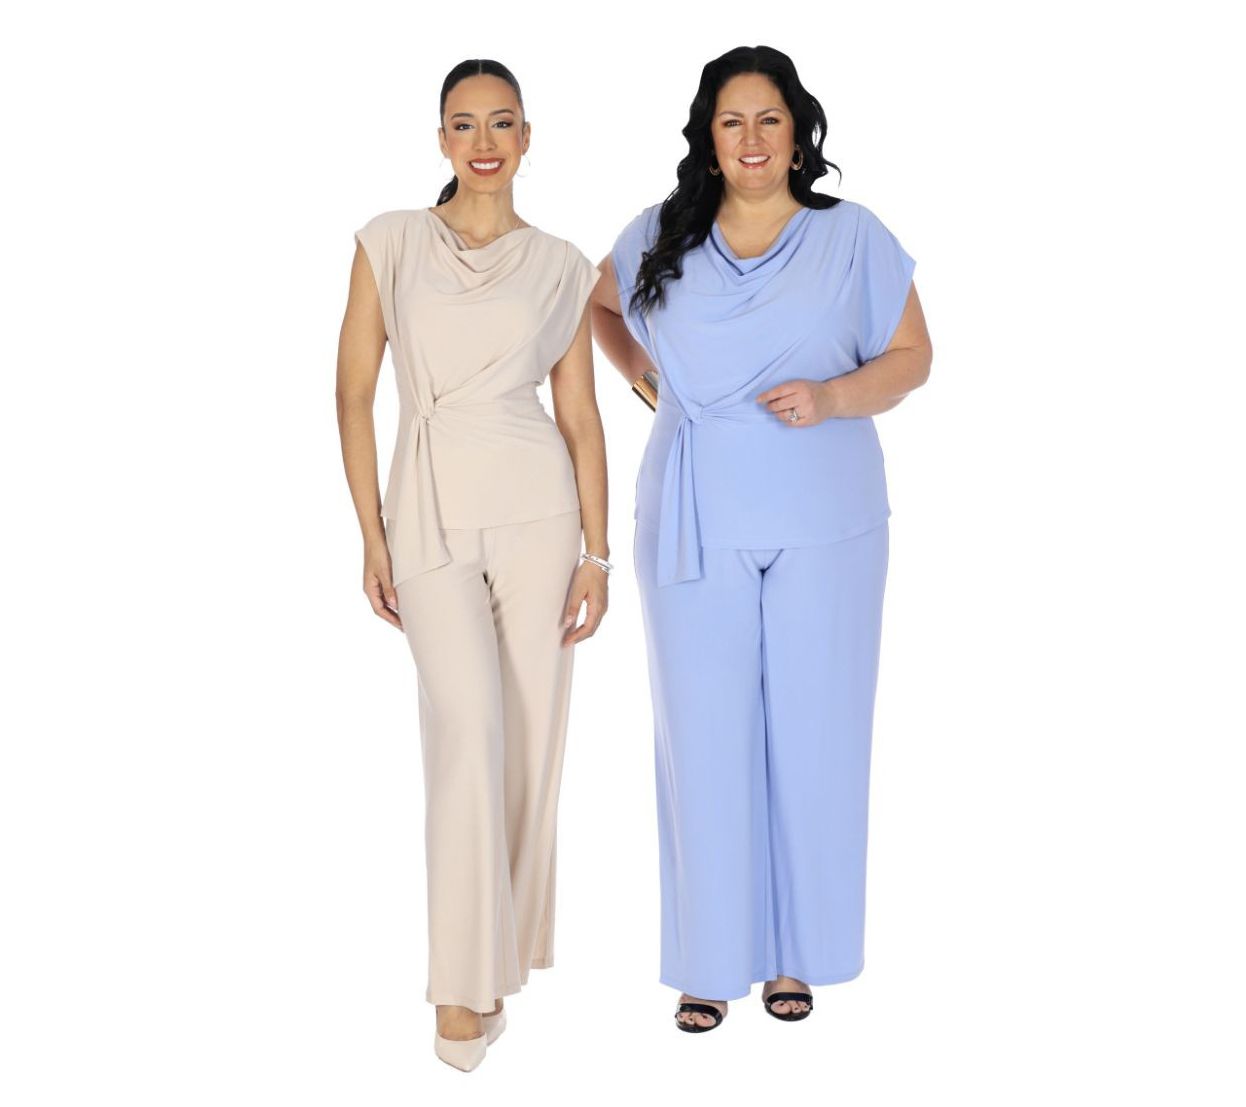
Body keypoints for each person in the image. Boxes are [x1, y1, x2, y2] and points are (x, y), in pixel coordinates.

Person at [589, 45, 932, 1033]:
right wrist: (647, 381)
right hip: (695, 512)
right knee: (703, 738)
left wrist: (833, 396)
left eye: (768, 120)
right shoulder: (658, 234)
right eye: (731, 121)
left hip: (828, 516)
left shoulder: (852, 237)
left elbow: (913, 355)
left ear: (797, 134)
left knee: (816, 735)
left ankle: (795, 954)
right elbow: (596, 306)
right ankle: (708, 962)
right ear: (707, 137)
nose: (750, 139)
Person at [335, 59, 609, 1071]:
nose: (483, 142)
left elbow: (580, 417)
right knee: (468, 731)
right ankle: (460, 983)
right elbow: (352, 392)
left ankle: (496, 962)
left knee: (528, 741)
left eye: (501, 123)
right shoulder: (390, 241)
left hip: (539, 511)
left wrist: (597, 552)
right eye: (464, 124)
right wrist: (371, 533)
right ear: (440, 138)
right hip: (428, 512)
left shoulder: (563, 265)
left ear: (527, 137)